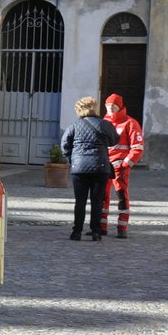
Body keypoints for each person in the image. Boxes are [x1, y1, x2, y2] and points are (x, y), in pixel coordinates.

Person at [60, 95, 116, 242]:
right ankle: (96, 232)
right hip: (100, 167)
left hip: (79, 169)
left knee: (80, 201)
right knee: (97, 201)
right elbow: (115, 140)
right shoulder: (104, 124)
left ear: (79, 110)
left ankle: (76, 232)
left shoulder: (74, 126)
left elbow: (64, 145)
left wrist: (73, 160)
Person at [99, 92, 144, 238]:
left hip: (120, 167)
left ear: (120, 106)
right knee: (102, 196)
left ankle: (122, 227)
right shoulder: (103, 122)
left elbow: (138, 147)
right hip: (105, 165)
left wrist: (126, 163)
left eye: (114, 105)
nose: (111, 108)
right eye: (108, 105)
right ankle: (102, 226)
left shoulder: (130, 123)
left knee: (121, 196)